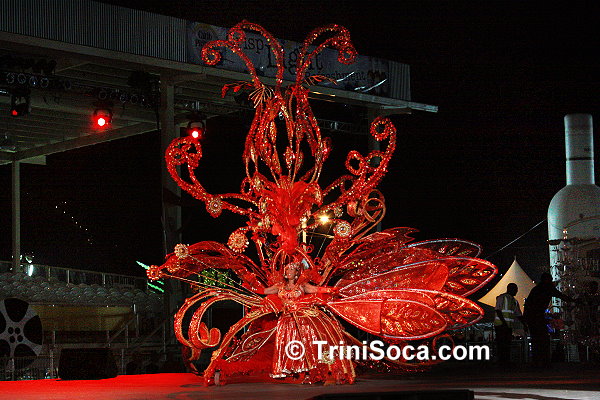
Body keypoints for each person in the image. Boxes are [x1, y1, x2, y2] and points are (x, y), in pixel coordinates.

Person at [523, 272, 574, 368]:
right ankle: (544, 361)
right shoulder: (547, 288)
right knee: (543, 339)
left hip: (532, 316)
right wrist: (573, 300)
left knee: (536, 339)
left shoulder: (537, 289)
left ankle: (537, 361)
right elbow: (561, 296)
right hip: (537, 316)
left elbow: (529, 305)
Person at [494, 283, 524, 364]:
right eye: (515, 289)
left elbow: (518, 315)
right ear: (510, 289)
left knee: (506, 344)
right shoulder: (502, 298)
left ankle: (505, 361)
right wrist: (504, 323)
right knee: (503, 344)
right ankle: (503, 362)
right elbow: (498, 310)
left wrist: (524, 324)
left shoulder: (514, 301)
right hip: (501, 326)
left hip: (507, 326)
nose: (517, 291)